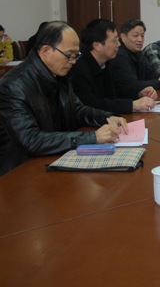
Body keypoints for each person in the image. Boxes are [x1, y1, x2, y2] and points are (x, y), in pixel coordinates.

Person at [0, 21, 128, 176]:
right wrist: (92, 137)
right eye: (69, 55)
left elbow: (78, 110)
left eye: (76, 55)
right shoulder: (12, 87)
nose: (73, 61)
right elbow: (32, 140)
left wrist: (107, 117)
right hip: (20, 172)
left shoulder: (59, 75)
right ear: (46, 50)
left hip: (54, 159)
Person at [71, 19, 157, 114]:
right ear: (97, 46)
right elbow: (92, 104)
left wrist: (138, 93)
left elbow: (116, 92)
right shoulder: (79, 69)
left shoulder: (107, 63)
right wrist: (132, 105)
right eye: (114, 41)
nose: (119, 44)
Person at [109, 19, 160, 99]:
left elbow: (149, 73)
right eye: (135, 36)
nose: (140, 39)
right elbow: (133, 85)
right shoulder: (119, 56)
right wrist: (159, 82)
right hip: (124, 102)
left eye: (142, 36)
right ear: (123, 37)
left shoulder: (138, 53)